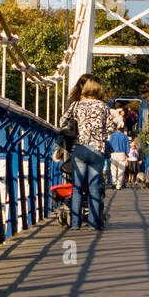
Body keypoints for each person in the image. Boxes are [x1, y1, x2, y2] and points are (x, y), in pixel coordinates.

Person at [60, 73, 110, 229]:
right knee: (94, 188)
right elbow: (110, 128)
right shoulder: (103, 106)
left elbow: (62, 122)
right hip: (96, 150)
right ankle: (93, 224)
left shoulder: (76, 105)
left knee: (77, 188)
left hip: (79, 149)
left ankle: (75, 224)